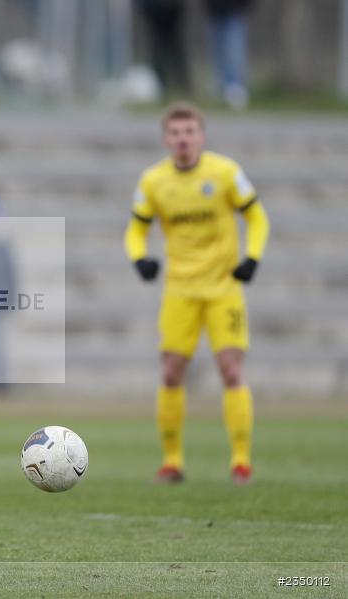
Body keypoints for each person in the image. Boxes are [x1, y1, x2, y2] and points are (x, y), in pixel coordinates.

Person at [124, 102, 269, 485]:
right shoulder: (153, 181)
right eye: (175, 133)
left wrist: (252, 258)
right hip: (180, 290)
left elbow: (256, 217)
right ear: (166, 139)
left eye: (189, 132)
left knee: (231, 369)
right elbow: (136, 229)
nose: (183, 139)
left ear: (201, 136)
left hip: (223, 288)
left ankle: (241, 461)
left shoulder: (225, 173)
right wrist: (140, 259)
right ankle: (172, 462)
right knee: (171, 373)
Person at [137, 0, 192, 97]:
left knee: (172, 47)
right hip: (156, 8)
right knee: (162, 48)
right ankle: (165, 86)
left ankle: (181, 87)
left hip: (169, 8)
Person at [205, 0, 252, 110]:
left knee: (234, 50)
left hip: (234, 8)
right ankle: (221, 87)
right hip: (213, 9)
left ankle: (236, 89)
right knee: (217, 52)